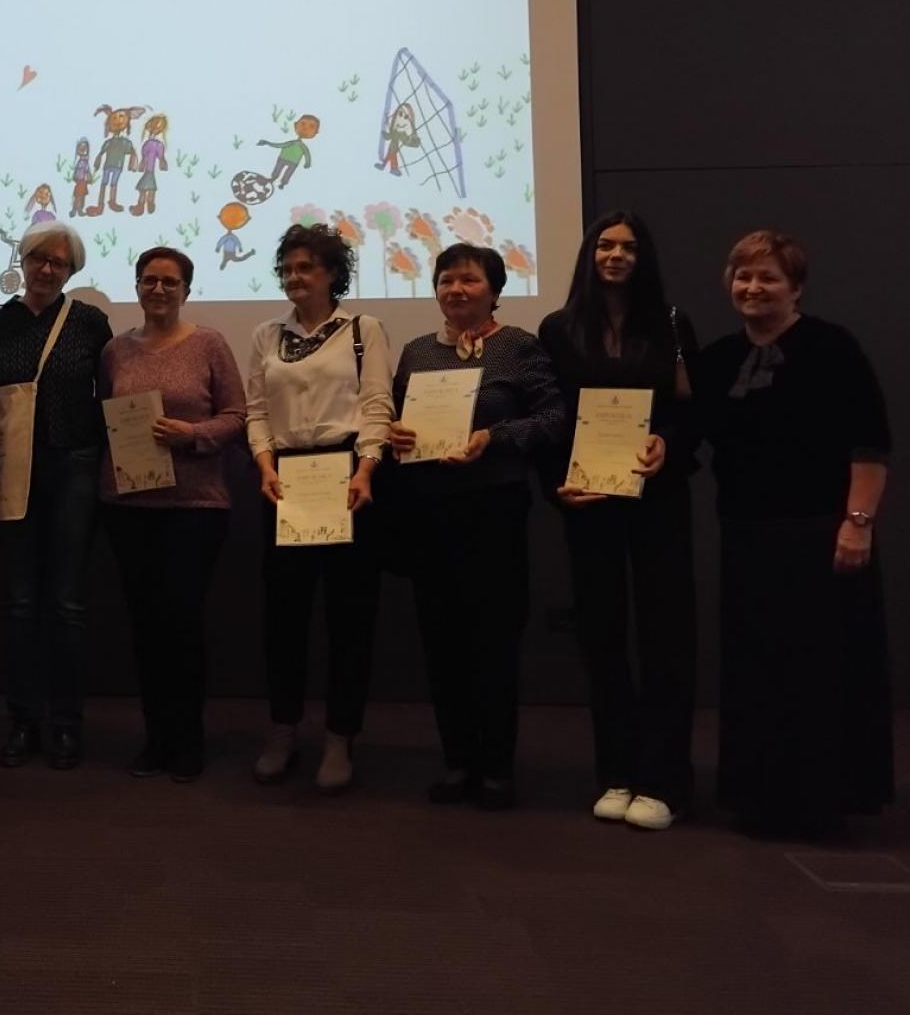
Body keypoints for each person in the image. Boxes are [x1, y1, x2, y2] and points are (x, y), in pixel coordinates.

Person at [694, 230, 892, 835]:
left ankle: (822, 801)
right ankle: (760, 798)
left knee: (821, 672)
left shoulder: (834, 348)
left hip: (821, 537)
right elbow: (683, 430)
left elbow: (870, 444)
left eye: (769, 278)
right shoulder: (719, 359)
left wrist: (857, 524)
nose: (753, 288)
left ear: (796, 287)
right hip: (748, 537)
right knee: (757, 672)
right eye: (743, 277)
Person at [390, 243, 565, 810]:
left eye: (468, 280)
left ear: (494, 290)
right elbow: (397, 422)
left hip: (494, 508)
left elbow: (554, 416)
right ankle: (456, 760)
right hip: (431, 512)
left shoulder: (518, 345)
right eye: (446, 280)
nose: (455, 289)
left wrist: (495, 437)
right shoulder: (417, 351)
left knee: (493, 638)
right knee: (442, 640)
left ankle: (495, 766)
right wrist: (396, 435)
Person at [537, 213, 697, 830]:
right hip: (589, 501)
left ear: (643, 257)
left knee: (666, 638)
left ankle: (664, 781)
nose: (616, 255)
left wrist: (668, 443)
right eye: (605, 245)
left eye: (629, 247)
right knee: (602, 639)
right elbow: (551, 416)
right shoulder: (559, 329)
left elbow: (692, 412)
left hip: (658, 499)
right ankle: (618, 773)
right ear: (589, 254)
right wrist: (557, 487)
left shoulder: (673, 323)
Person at [244, 224, 394, 793]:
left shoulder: (362, 330)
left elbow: (377, 404)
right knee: (283, 616)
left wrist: (367, 468)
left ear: (333, 272)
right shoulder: (266, 335)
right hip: (284, 481)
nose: (294, 277)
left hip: (349, 475)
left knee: (349, 617)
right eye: (287, 268)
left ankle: (339, 736)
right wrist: (264, 465)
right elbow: (257, 411)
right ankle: (283, 729)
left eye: (306, 267)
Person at [100, 247, 246, 781]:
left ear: (186, 288)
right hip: (129, 505)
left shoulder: (209, 343)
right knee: (144, 626)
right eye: (148, 280)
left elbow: (237, 414)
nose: (158, 289)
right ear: (136, 286)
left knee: (181, 623)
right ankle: (155, 738)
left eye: (169, 281)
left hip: (195, 505)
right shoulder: (115, 351)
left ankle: (187, 740)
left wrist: (194, 434)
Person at [0, 221, 113, 769]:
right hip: (10, 469)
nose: (47, 269)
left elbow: (112, 393)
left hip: (74, 466)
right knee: (20, 602)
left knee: (67, 602)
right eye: (39, 258)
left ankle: (66, 723)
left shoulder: (90, 322)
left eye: (59, 262)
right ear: (24, 260)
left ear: (72, 270)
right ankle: (24, 719)